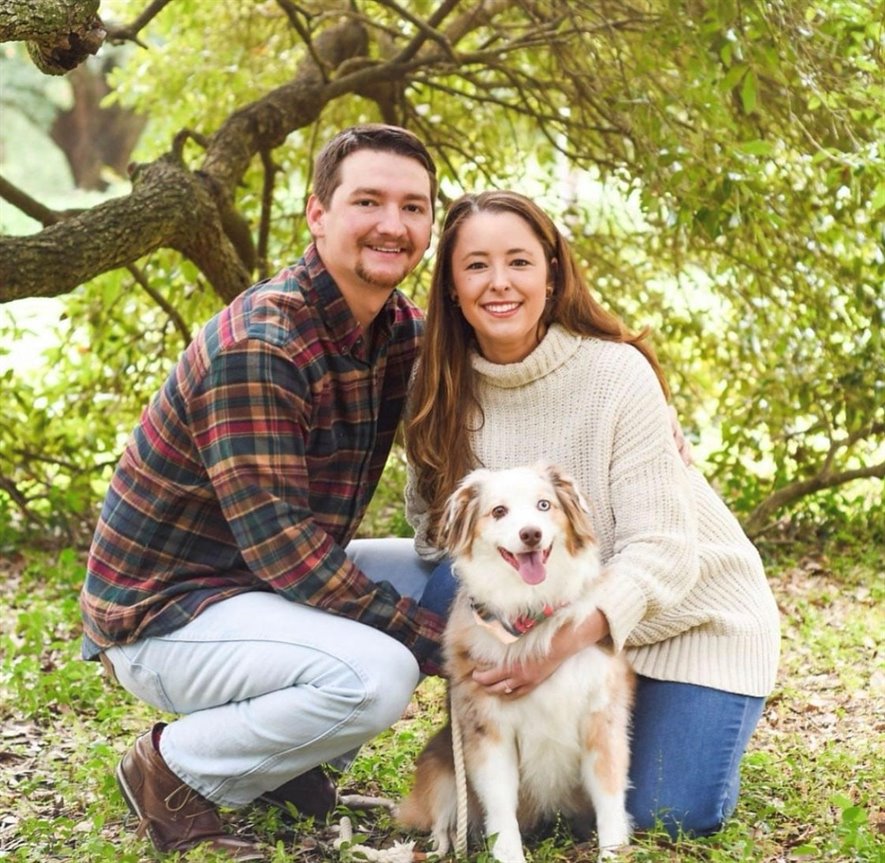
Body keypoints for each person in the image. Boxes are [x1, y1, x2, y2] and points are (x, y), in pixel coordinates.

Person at [79, 124, 449, 859]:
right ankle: (172, 769)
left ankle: (283, 769)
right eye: (367, 201)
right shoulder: (263, 344)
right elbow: (294, 559)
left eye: (413, 206)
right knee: (380, 672)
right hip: (165, 615)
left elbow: (482, 412)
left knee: (454, 579)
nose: (392, 224)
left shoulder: (396, 329)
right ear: (317, 213)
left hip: (253, 597)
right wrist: (447, 647)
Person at [401, 190, 781, 839]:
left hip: (688, 622)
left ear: (551, 274)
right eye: (476, 266)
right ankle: (515, 729)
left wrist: (543, 652)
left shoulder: (615, 374)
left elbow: (663, 551)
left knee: (668, 809)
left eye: (518, 261)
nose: (499, 283)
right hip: (549, 612)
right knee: (443, 586)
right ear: (450, 288)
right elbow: (437, 539)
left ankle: (613, 721)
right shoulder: (436, 385)